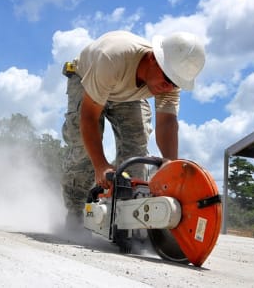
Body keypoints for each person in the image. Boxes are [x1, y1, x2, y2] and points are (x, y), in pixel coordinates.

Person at [60, 30, 205, 228]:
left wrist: (171, 165)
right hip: (88, 78)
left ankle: (126, 218)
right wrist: (101, 165)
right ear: (154, 58)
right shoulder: (112, 58)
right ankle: (75, 214)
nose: (169, 87)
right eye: (167, 80)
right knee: (85, 152)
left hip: (127, 92)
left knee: (136, 149)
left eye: (175, 84)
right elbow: (89, 117)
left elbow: (167, 123)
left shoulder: (170, 79)